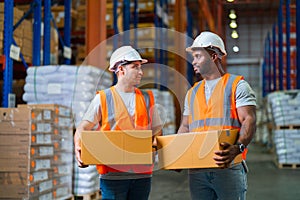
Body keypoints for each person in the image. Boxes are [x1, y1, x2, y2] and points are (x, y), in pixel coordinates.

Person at [74, 45, 163, 200]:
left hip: (142, 175)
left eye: (140, 67)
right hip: (113, 175)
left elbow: (157, 129)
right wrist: (78, 146)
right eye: (135, 67)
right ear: (121, 70)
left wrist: (155, 143)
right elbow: (83, 126)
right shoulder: (103, 98)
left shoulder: (147, 98)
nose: (141, 72)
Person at [177, 31, 256, 200]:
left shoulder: (237, 86)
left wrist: (238, 148)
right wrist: (177, 155)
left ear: (213, 56)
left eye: (198, 56)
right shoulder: (192, 93)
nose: (194, 61)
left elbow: (248, 119)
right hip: (197, 170)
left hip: (227, 167)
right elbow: (185, 126)